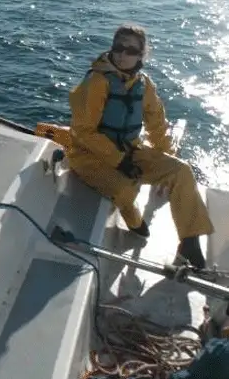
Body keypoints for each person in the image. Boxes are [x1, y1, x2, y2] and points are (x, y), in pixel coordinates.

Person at [68, 23, 214, 270]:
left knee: (181, 171)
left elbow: (157, 124)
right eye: (118, 48)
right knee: (126, 190)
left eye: (131, 50)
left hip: (129, 150)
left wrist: (166, 159)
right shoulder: (96, 82)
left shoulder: (143, 84)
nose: (123, 54)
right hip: (88, 154)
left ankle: (189, 242)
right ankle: (133, 220)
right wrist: (119, 161)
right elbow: (83, 131)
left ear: (142, 55)